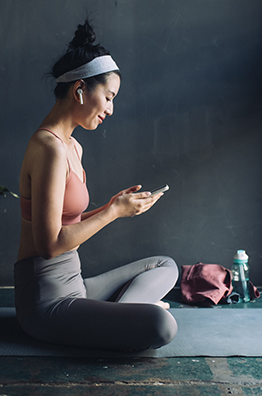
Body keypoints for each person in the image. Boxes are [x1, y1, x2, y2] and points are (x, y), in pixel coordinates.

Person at [14, 20, 179, 351]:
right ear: (79, 90)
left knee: (166, 266)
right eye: (108, 96)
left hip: (76, 284)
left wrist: (110, 206)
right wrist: (114, 213)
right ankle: (127, 314)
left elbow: (67, 220)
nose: (110, 108)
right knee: (162, 325)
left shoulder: (73, 146)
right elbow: (48, 245)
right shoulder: (48, 148)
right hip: (46, 302)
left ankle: (118, 315)